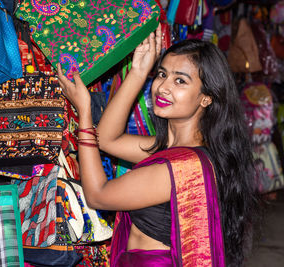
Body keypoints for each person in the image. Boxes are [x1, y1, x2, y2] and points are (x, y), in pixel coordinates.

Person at [57, 24, 259, 266]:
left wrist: (85, 111)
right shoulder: (172, 150)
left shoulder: (178, 166)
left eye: (180, 81)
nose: (163, 87)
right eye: (162, 74)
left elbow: (98, 196)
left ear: (206, 97)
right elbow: (108, 140)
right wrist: (138, 73)